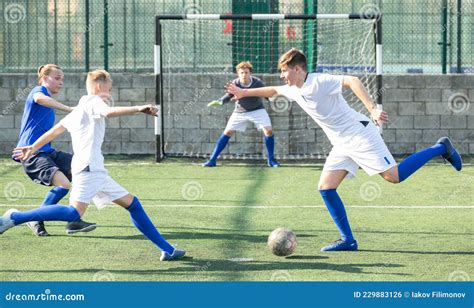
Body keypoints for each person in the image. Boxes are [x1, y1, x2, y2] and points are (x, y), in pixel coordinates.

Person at [226, 48, 462, 251]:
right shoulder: (293, 89)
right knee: (326, 188)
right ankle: (348, 240)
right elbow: (272, 90)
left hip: (359, 134)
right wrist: (244, 93)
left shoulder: (318, 81)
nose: (282, 75)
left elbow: (352, 81)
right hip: (342, 143)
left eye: (285, 70)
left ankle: (440, 147)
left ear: (298, 69)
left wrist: (372, 107)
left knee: (394, 176)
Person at [3, 69, 185, 261]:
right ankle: (15, 217)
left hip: (94, 169)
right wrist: (139, 108)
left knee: (133, 204)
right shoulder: (94, 102)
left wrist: (32, 147)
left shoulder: (80, 107)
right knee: (73, 213)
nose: (110, 93)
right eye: (109, 88)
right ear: (99, 86)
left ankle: (167, 249)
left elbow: (55, 132)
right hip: (89, 169)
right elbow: (107, 112)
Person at [15, 64, 96, 236]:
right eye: (57, 78)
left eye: (62, 79)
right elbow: (39, 99)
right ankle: (35, 218)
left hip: (48, 152)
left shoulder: (48, 99)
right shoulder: (38, 91)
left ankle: (73, 221)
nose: (61, 82)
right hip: (32, 153)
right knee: (64, 184)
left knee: (85, 170)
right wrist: (69, 109)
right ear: (44, 78)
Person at [204, 61, 280, 167]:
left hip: (258, 110)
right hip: (240, 112)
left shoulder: (257, 82)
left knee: (268, 131)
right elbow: (228, 96)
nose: (244, 75)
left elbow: (266, 94)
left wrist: (273, 99)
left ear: (250, 73)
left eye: (246, 72)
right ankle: (212, 160)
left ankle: (271, 160)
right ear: (238, 73)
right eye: (242, 73)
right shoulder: (234, 83)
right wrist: (220, 101)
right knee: (227, 132)